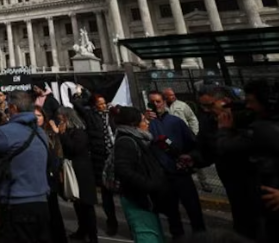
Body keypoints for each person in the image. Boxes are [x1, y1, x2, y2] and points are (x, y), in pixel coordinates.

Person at [216, 79, 279, 243]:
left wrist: (223, 130)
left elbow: (227, 147)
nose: (248, 106)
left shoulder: (264, 130)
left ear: (269, 103)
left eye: (251, 101)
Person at [0, 91, 50, 243]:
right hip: (41, 202)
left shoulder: (8, 132)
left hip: (17, 203)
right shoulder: (40, 132)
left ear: (14, 108)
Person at [195, 85, 258, 239]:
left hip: (257, 182)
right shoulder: (208, 122)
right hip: (232, 184)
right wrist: (192, 158)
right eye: (203, 106)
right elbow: (204, 150)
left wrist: (225, 131)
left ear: (226, 101)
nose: (207, 110)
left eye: (210, 105)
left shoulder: (249, 118)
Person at [145, 91, 204, 239]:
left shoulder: (176, 122)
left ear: (164, 102)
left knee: (193, 209)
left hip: (181, 173)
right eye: (153, 102)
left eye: (158, 101)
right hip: (163, 175)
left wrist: (187, 158)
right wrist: (144, 122)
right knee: (171, 212)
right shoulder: (146, 124)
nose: (156, 105)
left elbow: (192, 144)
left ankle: (201, 235)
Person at [112, 106, 168, 243]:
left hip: (146, 198)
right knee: (146, 234)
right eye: (143, 120)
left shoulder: (139, 139)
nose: (147, 123)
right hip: (137, 198)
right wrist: (149, 185)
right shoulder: (126, 141)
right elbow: (124, 171)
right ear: (133, 124)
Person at [71, 87, 118, 236]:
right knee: (106, 194)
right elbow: (76, 103)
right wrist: (83, 93)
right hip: (100, 158)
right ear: (93, 105)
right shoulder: (90, 115)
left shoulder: (112, 115)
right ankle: (112, 222)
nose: (103, 106)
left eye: (104, 103)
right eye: (99, 104)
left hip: (116, 156)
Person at [55, 107, 98, 243]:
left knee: (86, 205)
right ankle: (82, 230)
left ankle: (92, 236)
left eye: (60, 117)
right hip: (72, 169)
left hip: (82, 171)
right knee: (77, 203)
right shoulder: (70, 131)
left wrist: (62, 135)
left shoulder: (79, 132)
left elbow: (75, 149)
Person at [35, 106, 67, 243]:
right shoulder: (28, 134)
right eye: (34, 116)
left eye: (39, 115)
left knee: (53, 212)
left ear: (44, 117)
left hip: (50, 177)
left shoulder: (50, 133)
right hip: (36, 179)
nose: (36, 118)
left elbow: (58, 154)